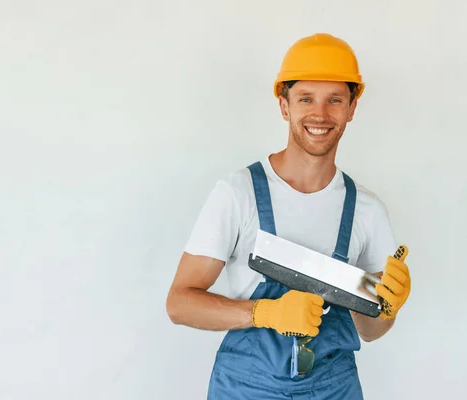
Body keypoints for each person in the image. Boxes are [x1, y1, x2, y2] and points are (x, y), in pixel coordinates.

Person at [165, 33, 412, 399]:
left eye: (335, 100)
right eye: (306, 99)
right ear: (285, 105)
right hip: (246, 387)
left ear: (352, 108)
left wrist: (388, 308)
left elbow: (370, 331)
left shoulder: (367, 210)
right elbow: (179, 303)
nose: (320, 114)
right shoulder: (238, 193)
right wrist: (264, 313)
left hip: (334, 388)